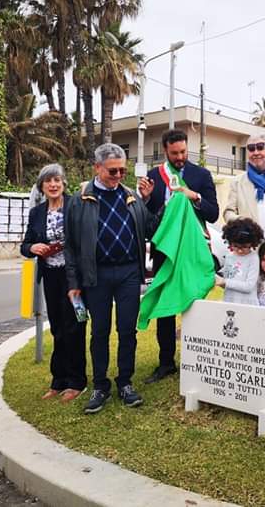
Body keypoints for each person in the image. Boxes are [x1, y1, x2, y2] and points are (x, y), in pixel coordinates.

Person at [64, 144, 157, 414]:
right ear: (97, 168)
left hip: (129, 272)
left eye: (122, 170)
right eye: (112, 170)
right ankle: (100, 385)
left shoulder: (131, 196)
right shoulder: (79, 199)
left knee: (128, 330)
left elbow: (150, 228)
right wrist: (73, 285)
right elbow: (70, 246)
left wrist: (149, 201)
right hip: (97, 276)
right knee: (99, 332)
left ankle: (125, 382)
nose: (118, 175)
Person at [138, 128, 219, 384]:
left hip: (193, 251)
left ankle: (197, 359)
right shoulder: (154, 176)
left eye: (183, 151)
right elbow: (150, 218)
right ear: (165, 152)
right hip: (166, 251)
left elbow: (213, 213)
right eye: (175, 153)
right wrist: (147, 198)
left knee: (194, 304)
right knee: (165, 309)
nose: (180, 157)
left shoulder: (201, 175)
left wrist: (193, 196)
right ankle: (165, 363)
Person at [21, 164, 87, 403]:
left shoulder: (75, 205)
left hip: (74, 279)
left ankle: (77, 381)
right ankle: (58, 380)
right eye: (48, 181)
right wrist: (32, 247)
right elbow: (25, 244)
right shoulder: (37, 213)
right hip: (51, 276)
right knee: (58, 328)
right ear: (42, 186)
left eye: (57, 180)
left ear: (63, 183)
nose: (53, 185)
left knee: (76, 326)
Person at [214, 218, 263, 305]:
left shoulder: (253, 258)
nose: (240, 250)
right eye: (236, 246)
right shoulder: (229, 256)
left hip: (247, 304)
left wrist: (225, 282)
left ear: (252, 244)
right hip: (229, 301)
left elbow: (249, 286)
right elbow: (227, 278)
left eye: (244, 247)